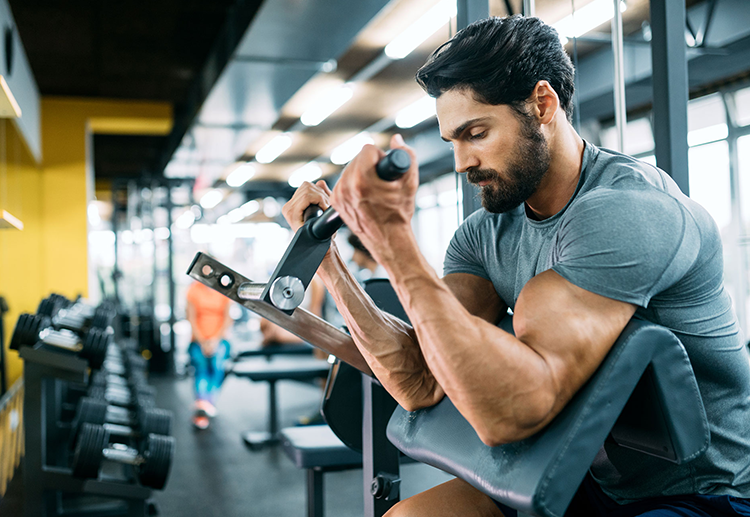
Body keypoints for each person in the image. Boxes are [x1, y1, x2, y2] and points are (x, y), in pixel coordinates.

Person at [282, 15, 750, 517]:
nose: (462, 162)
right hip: (585, 480)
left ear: (542, 104)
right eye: (452, 142)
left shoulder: (628, 212)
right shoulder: (485, 235)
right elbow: (421, 381)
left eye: (476, 133)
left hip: (704, 494)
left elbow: (510, 416)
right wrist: (328, 262)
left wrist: (393, 240)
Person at [186, 279, 232, 430]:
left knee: (217, 367)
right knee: (201, 370)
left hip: (219, 340)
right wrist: (203, 341)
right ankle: (204, 407)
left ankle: (205, 404)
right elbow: (191, 319)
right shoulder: (193, 290)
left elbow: (227, 319)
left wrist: (215, 341)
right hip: (199, 340)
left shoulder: (223, 292)